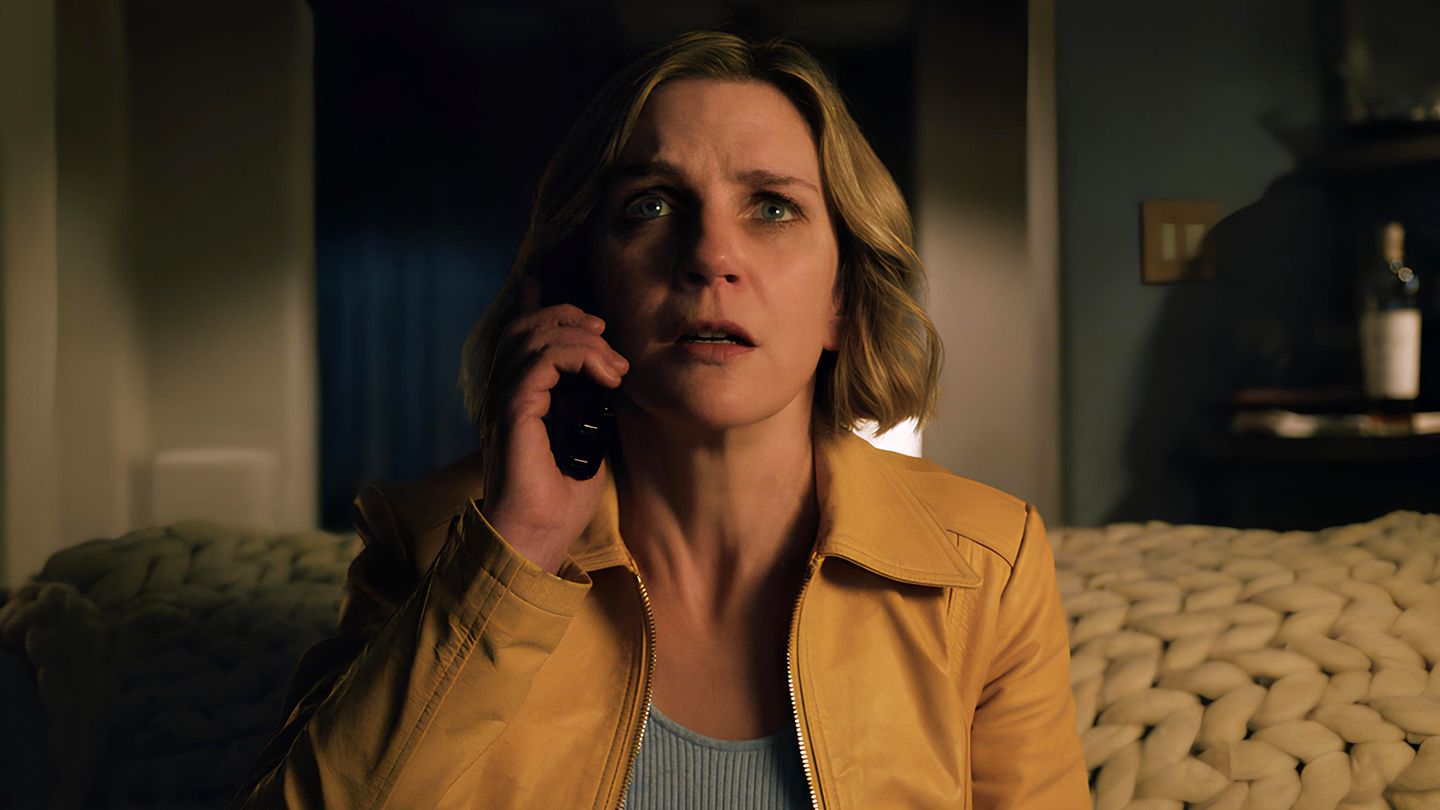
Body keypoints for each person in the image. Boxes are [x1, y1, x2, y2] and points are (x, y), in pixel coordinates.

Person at [233, 30, 1089, 810]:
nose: (711, 256)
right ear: (581, 284)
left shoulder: (987, 567)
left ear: (841, 299)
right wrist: (518, 552)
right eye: (650, 205)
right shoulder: (430, 544)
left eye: (773, 207)